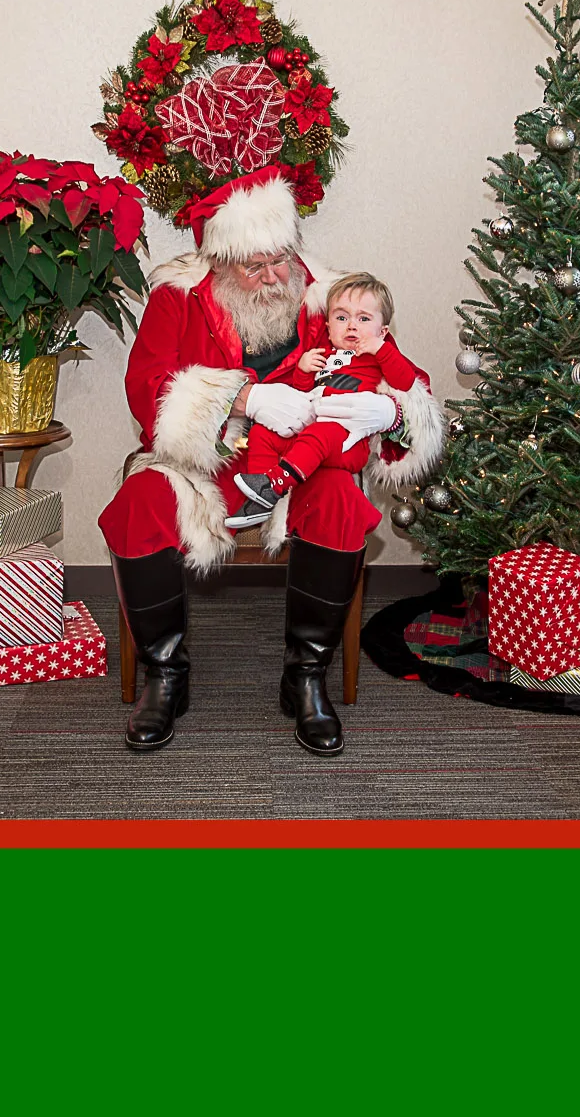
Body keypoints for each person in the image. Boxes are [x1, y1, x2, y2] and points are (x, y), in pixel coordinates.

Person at [98, 166, 446, 756]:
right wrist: (243, 398)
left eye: (280, 259)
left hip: (305, 456)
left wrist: (386, 412)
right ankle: (166, 675)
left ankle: (305, 676)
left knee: (340, 503)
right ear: (219, 261)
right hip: (210, 458)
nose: (272, 276)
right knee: (139, 503)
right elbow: (146, 388)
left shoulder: (329, 295)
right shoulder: (177, 297)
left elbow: (404, 377)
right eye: (253, 266)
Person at [227, 271, 426, 529]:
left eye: (363, 319)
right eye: (342, 318)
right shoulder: (324, 355)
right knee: (262, 433)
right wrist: (303, 371)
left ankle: (275, 484)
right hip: (312, 436)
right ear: (329, 328)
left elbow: (406, 381)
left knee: (319, 434)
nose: (351, 325)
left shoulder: (377, 356)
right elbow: (303, 397)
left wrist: (382, 349)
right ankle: (261, 496)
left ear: (383, 331)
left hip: (347, 444)